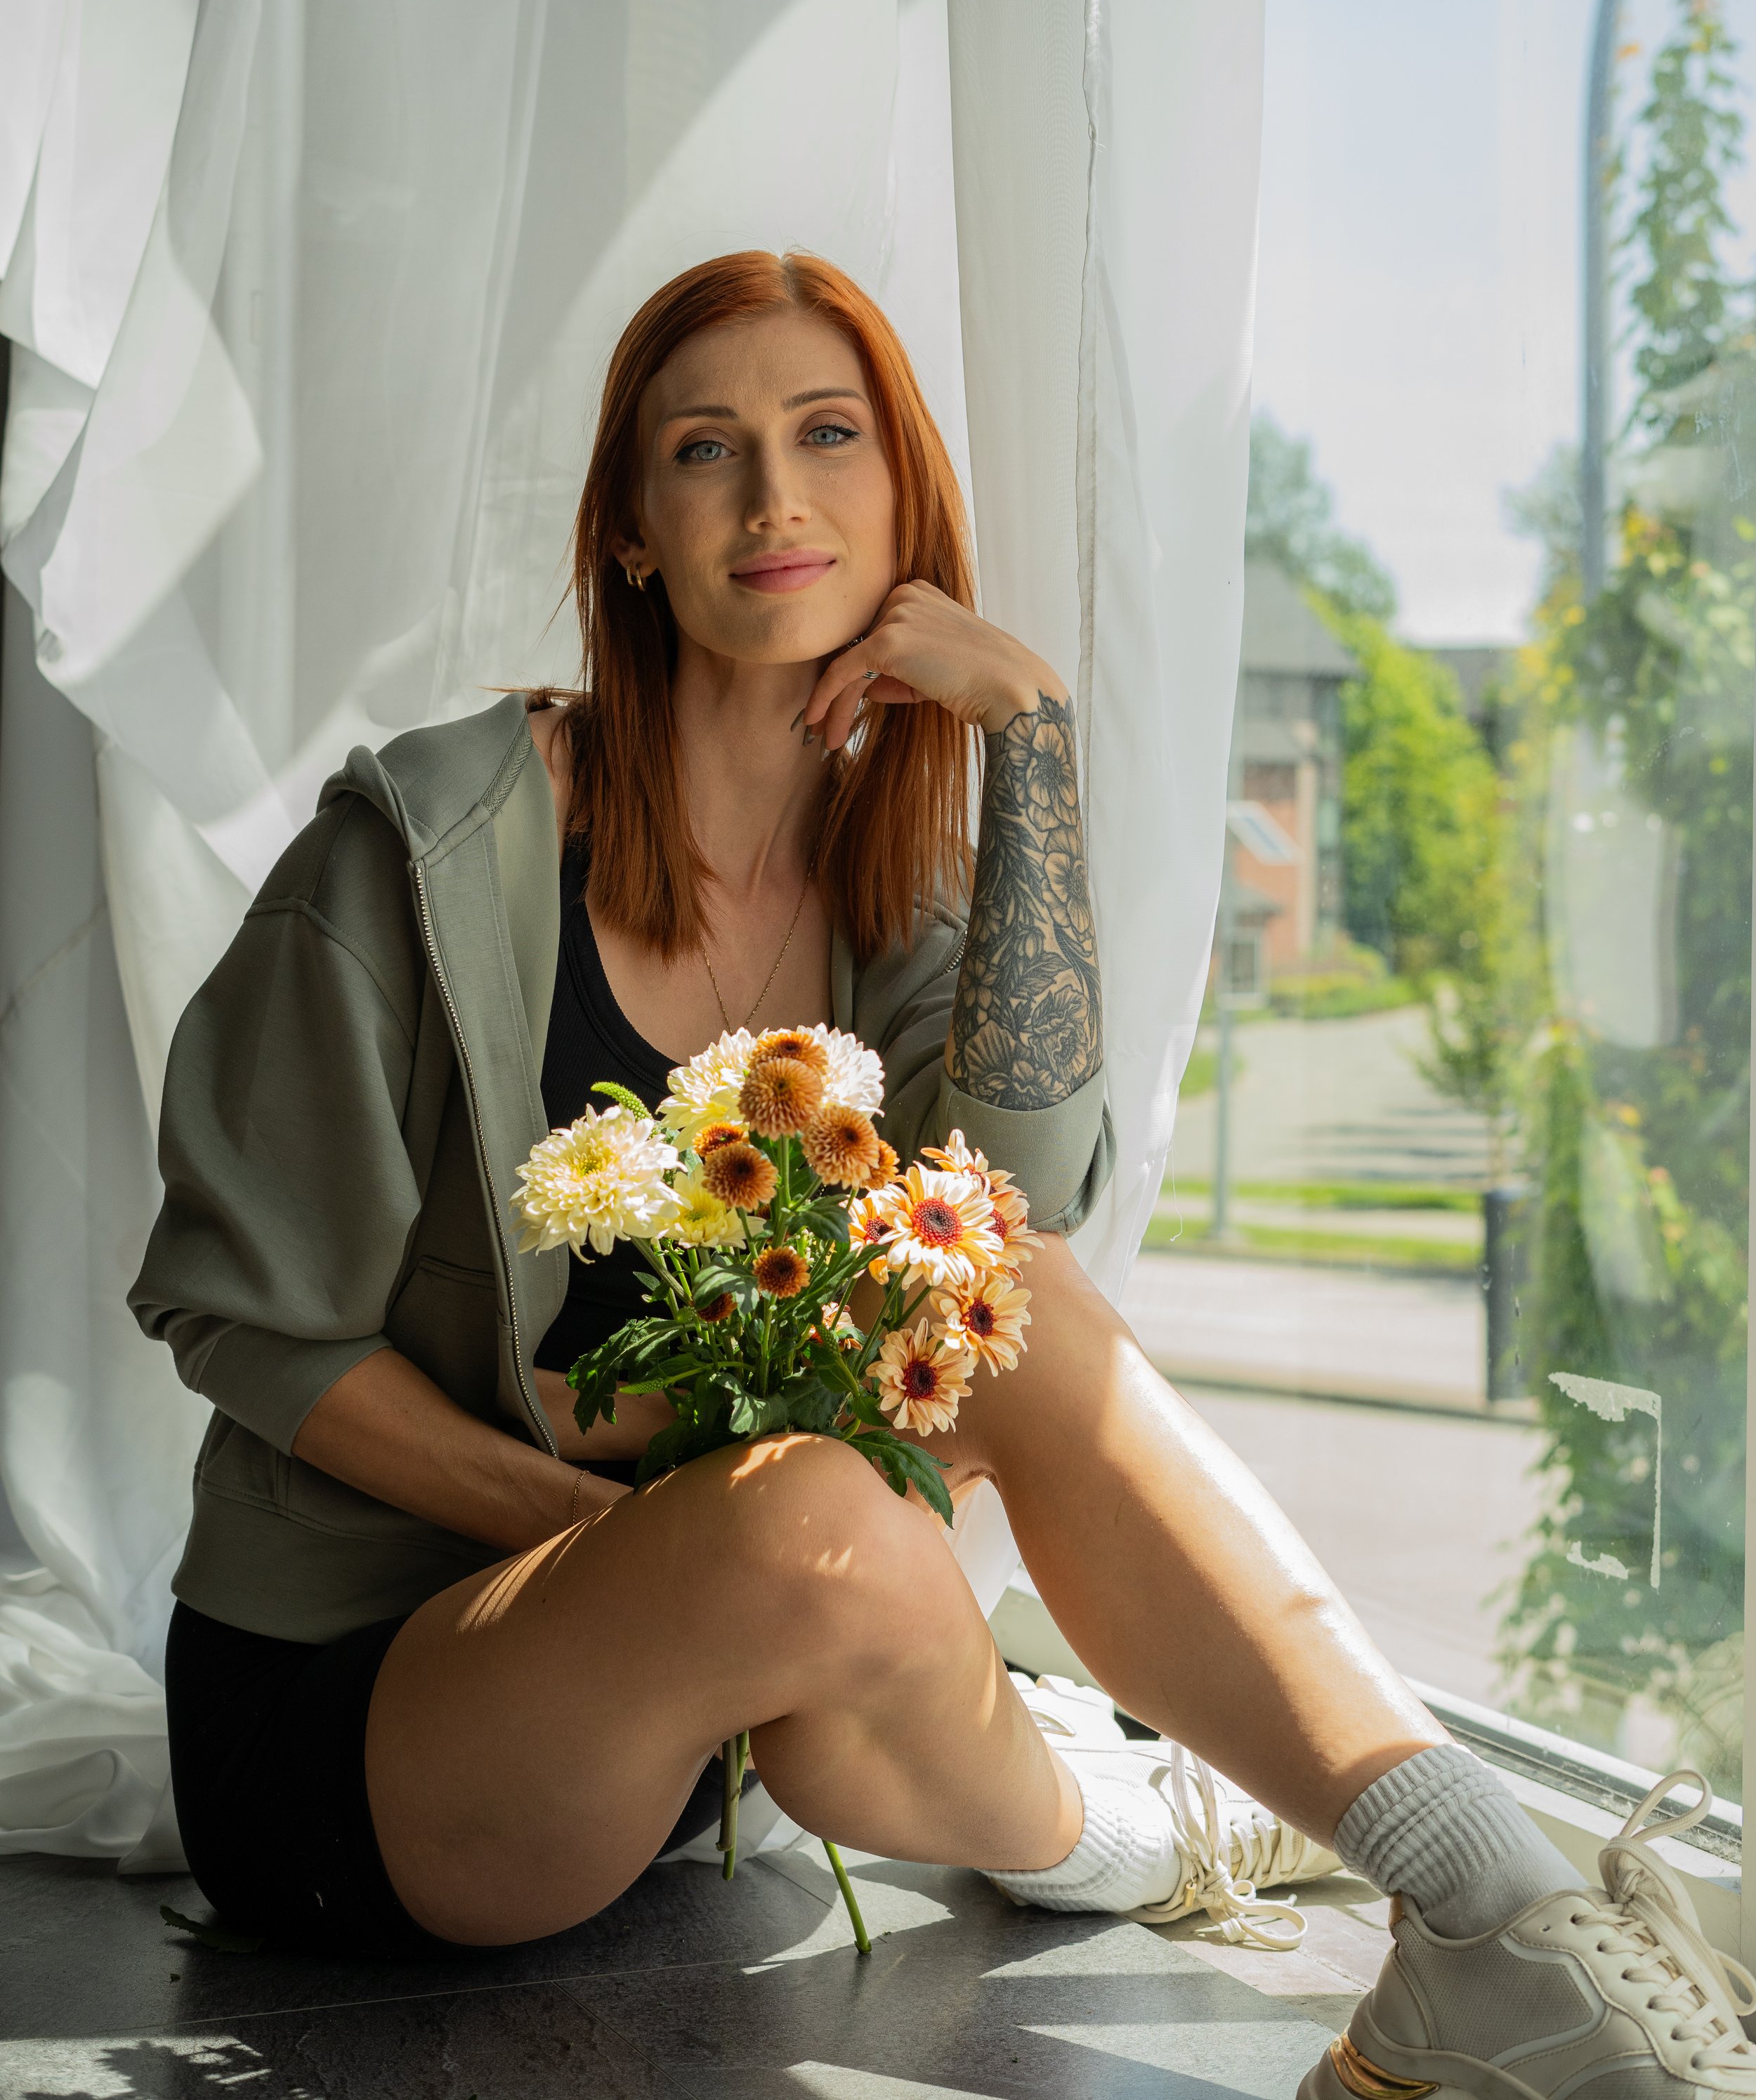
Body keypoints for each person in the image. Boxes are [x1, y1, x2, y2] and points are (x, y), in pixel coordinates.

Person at [131, 250, 1754, 2100]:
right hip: (366, 1734)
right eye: (702, 450)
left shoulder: (889, 890)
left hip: (718, 1688)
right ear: (633, 537)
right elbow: (248, 1324)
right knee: (811, 1519)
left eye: (828, 436)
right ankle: (1156, 1832)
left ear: (900, 502)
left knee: (982, 1313)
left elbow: (1023, 1212)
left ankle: (1491, 1916)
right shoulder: (423, 855)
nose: (771, 497)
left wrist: (1033, 748)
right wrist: (621, 1541)